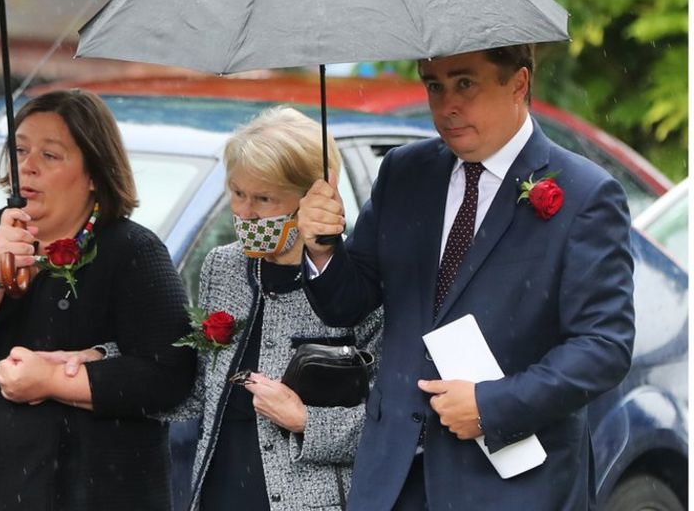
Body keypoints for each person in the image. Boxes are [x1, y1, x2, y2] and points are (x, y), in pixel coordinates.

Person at [298, 45, 635, 510]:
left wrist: (492, 405)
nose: (446, 105)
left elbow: (603, 347)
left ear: (518, 83)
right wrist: (321, 248)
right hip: (391, 477)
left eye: (464, 84)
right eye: (434, 86)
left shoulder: (584, 194)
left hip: (512, 485)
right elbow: (348, 303)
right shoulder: (405, 172)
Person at [0, 89, 196, 511]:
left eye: (50, 155)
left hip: (89, 486)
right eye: (21, 150)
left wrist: (53, 381)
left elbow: (169, 375)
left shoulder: (132, 250)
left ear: (95, 172)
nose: (27, 166)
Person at [170, 107, 382, 511]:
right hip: (219, 494)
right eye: (237, 193)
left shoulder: (358, 284)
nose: (244, 213)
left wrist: (307, 421)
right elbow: (198, 387)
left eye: (263, 199)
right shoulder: (222, 265)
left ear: (311, 199)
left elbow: (396, 422)